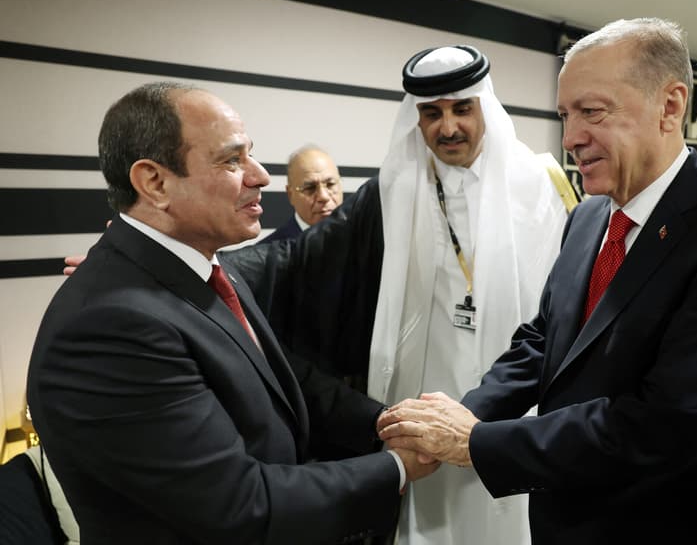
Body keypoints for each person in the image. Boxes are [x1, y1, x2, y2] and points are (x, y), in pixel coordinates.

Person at [377, 18, 697, 544]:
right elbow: (545, 340)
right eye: (565, 115)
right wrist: (464, 414)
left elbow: (666, 424)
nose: (571, 139)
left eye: (593, 112)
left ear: (671, 106)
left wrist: (476, 442)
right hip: (564, 517)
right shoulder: (589, 216)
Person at [27, 82, 436, 545]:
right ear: (155, 183)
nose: (260, 176)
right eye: (231, 160)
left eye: (251, 155)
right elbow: (240, 505)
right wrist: (396, 467)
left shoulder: (206, 268)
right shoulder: (110, 326)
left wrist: (386, 423)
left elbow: (276, 379)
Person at [225, 45, 570, 544]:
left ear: (484, 106)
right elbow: (297, 261)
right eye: (432, 114)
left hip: (515, 396)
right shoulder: (392, 191)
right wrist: (199, 264)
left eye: (461, 109)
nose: (448, 127)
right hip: (423, 395)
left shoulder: (542, 185)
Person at [258, 145, 343, 242]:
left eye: (330, 184)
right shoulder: (269, 249)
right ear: (290, 194)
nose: (323, 196)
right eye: (310, 188)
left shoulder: (357, 239)